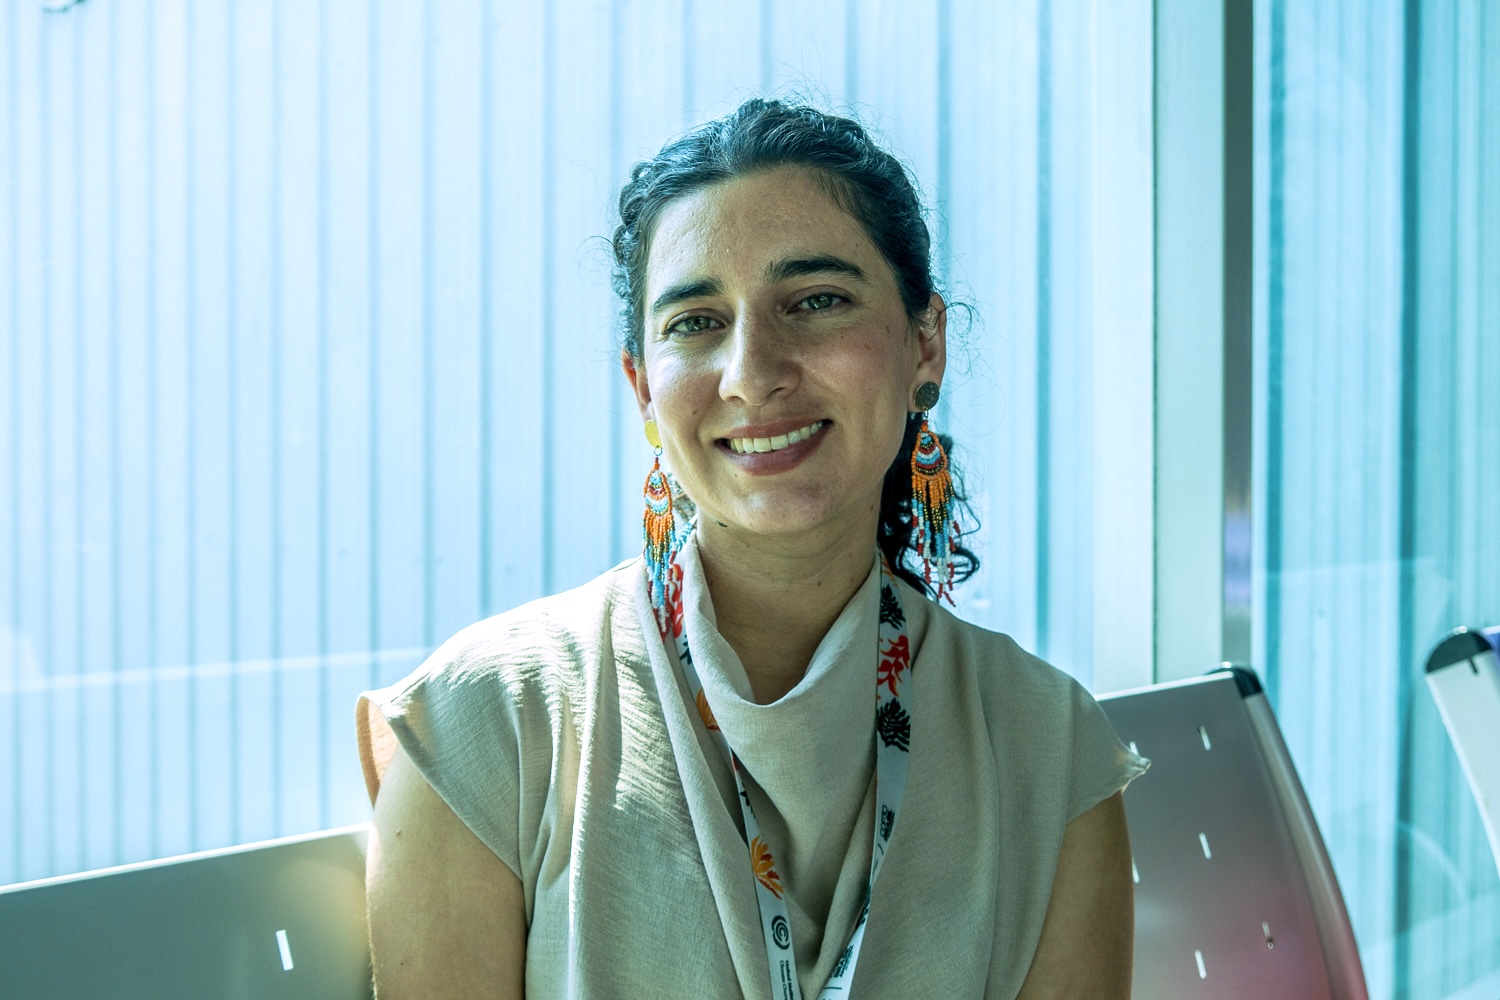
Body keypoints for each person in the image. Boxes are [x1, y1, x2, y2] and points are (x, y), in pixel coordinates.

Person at [356, 99, 1149, 999]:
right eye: (696, 321)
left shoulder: (1048, 747)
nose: (752, 373)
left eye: (816, 301)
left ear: (923, 343)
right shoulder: (490, 718)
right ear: (644, 390)